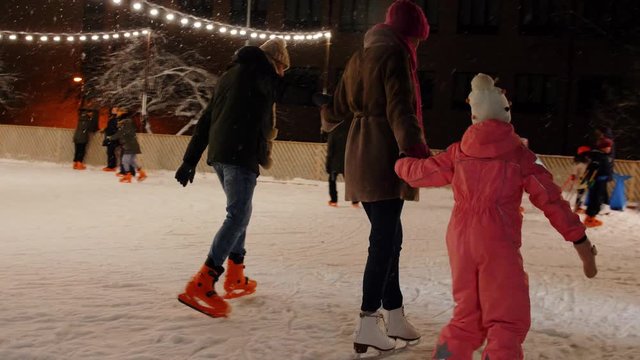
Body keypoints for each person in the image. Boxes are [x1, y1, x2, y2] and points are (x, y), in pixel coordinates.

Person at [394, 73, 598, 360]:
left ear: (475, 115)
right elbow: (551, 200)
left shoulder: (458, 152)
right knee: (506, 319)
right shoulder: (520, 156)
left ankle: (448, 354)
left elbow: (422, 172)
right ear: (506, 113)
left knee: (466, 317)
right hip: (498, 241)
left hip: (461, 240)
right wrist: (579, 240)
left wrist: (401, 163)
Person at [321, 0, 430, 354]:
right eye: (415, 40)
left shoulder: (360, 56)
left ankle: (394, 313)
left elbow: (335, 108)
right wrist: (416, 152)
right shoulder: (395, 56)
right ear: (408, 35)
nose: (415, 47)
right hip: (383, 153)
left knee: (390, 235)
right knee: (384, 240)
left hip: (358, 150)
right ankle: (368, 320)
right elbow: (402, 108)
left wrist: (329, 111)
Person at [174, 38, 288, 318]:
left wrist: (190, 160)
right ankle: (203, 282)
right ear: (274, 61)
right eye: (282, 67)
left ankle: (235, 275)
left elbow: (206, 118)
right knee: (237, 215)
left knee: (241, 213)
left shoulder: (232, 74)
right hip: (240, 152)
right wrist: (314, 97)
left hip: (223, 153)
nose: (282, 73)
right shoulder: (258, 73)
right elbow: (281, 91)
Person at [325, 121, 359, 208]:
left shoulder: (333, 132)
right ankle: (355, 201)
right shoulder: (349, 131)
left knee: (332, 181)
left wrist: (328, 163)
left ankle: (334, 200)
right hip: (347, 161)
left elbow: (330, 150)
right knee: (350, 181)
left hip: (335, 163)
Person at [110, 110, 146, 183]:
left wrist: (110, 138)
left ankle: (127, 175)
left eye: (119, 121)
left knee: (125, 161)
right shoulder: (129, 124)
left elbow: (119, 134)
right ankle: (142, 173)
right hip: (133, 145)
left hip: (129, 146)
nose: (118, 123)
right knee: (132, 161)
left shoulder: (126, 125)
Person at [583, 137, 613, 227]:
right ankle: (590, 218)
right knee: (596, 199)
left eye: (609, 147)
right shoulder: (598, 156)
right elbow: (591, 168)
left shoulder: (603, 156)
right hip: (597, 181)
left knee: (598, 199)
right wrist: (591, 175)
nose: (609, 148)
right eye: (607, 147)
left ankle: (591, 217)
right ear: (602, 148)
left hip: (601, 180)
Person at [570, 146, 592, 213]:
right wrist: (573, 176)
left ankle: (578, 206)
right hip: (580, 180)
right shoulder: (580, 163)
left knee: (581, 193)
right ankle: (577, 206)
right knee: (580, 193)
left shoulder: (586, 161)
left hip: (584, 179)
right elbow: (575, 170)